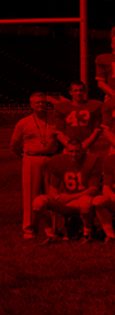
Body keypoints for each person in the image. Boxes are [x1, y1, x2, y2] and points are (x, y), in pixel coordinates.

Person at [11, 92, 61, 239]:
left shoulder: (54, 121)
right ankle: (29, 230)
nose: (40, 105)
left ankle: (53, 229)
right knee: (30, 196)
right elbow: (14, 144)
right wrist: (26, 155)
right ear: (31, 105)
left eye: (43, 102)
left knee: (52, 196)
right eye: (37, 102)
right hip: (32, 159)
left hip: (51, 159)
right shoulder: (24, 122)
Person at [32, 141, 101, 244]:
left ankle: (87, 234)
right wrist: (56, 197)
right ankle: (50, 235)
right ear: (66, 151)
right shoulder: (60, 162)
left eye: (77, 151)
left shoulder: (91, 161)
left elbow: (94, 189)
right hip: (67, 200)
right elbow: (52, 188)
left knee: (85, 202)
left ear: (82, 151)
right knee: (38, 202)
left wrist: (71, 197)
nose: (74, 154)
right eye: (71, 151)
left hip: (81, 199)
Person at [53, 81, 103, 153]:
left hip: (87, 146)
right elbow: (59, 131)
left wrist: (87, 143)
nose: (78, 93)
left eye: (81, 90)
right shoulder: (61, 107)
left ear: (84, 91)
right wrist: (69, 145)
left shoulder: (94, 106)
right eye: (75, 90)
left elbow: (97, 129)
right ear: (70, 92)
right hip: (69, 145)